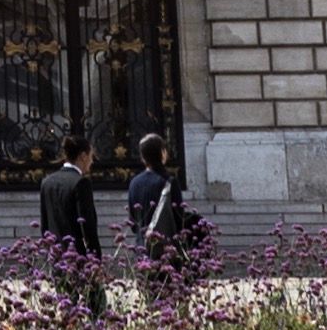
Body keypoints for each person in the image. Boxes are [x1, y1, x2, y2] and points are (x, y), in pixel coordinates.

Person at [125, 130, 210, 305]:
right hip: (167, 253)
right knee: (172, 306)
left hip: (143, 250)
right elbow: (179, 219)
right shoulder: (169, 181)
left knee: (151, 303)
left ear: (142, 157)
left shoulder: (134, 183)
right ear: (163, 153)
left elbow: (133, 221)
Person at [33, 135, 106, 301]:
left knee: (67, 307)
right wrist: (95, 259)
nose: (92, 162)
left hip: (58, 255)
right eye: (91, 156)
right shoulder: (81, 183)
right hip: (79, 257)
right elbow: (88, 225)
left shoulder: (47, 182)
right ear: (83, 156)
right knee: (96, 308)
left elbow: (45, 224)